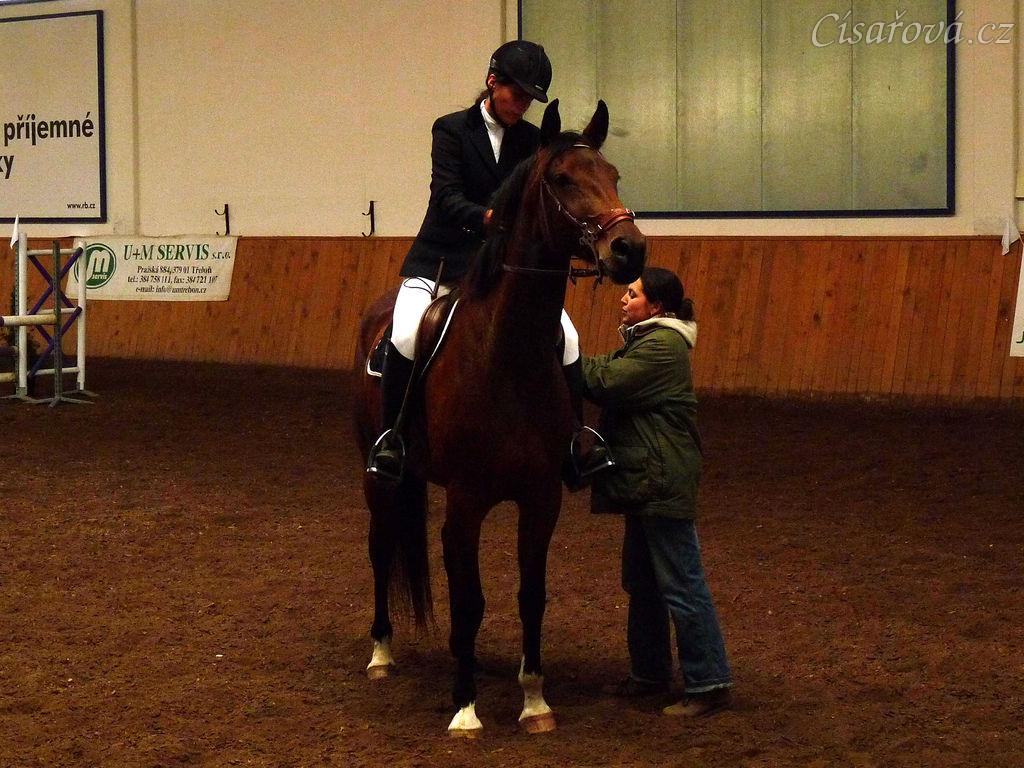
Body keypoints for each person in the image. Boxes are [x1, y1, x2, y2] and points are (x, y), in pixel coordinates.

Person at [366, 39, 612, 486]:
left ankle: (576, 439)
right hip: (443, 261)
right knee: (404, 333)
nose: (522, 104)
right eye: (516, 94)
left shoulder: (533, 141)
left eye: (529, 99)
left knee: (570, 338)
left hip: (503, 268)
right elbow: (445, 196)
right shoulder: (451, 130)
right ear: (492, 82)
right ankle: (392, 438)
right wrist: (487, 218)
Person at [582, 267, 733, 718]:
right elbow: (607, 368)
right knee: (644, 582)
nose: (623, 299)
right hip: (647, 476)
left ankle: (708, 681)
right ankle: (649, 673)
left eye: (633, 294)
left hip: (660, 477)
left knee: (682, 583)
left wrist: (564, 355)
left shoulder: (663, 346)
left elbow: (607, 381)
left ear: (657, 306)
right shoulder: (646, 340)